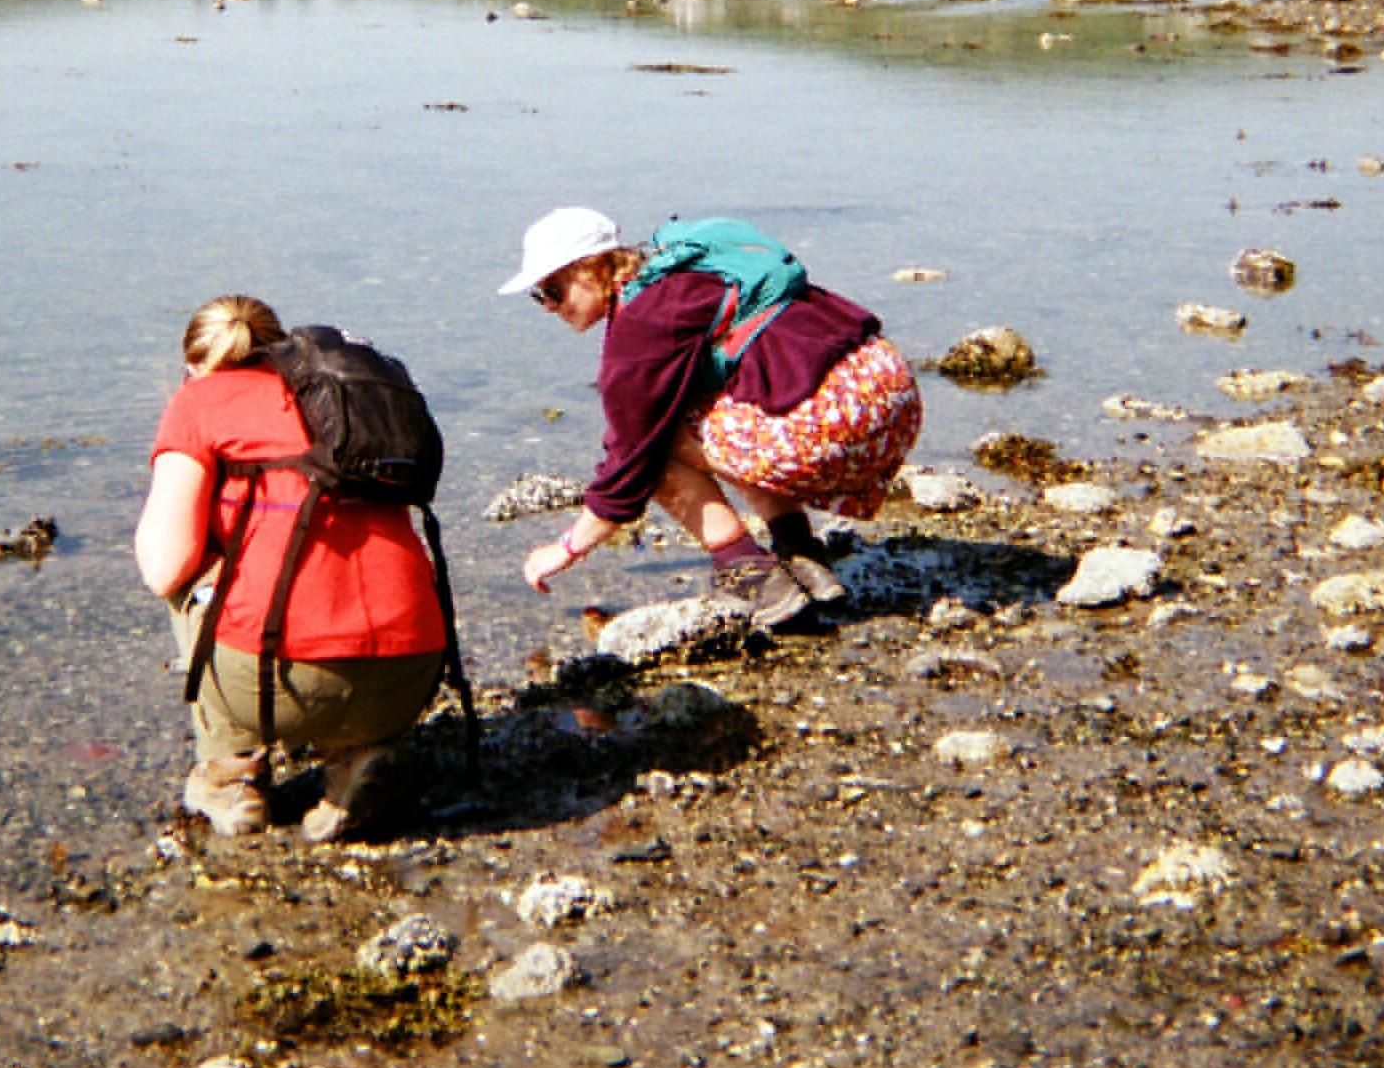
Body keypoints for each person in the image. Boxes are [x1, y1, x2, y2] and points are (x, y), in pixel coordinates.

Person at [502, 209, 921, 627]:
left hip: (839, 428)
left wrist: (566, 549)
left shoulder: (641, 326)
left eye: (553, 290)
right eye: (540, 296)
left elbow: (628, 469)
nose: (550, 307)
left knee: (656, 446)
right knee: (711, 402)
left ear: (591, 269)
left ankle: (750, 574)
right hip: (891, 396)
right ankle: (801, 555)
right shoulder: (681, 268)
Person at [136, 295, 447, 840]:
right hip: (413, 666)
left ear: (192, 366)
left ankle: (230, 777)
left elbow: (163, 567)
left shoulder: (199, 401)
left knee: (188, 581)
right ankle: (359, 752)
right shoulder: (349, 397)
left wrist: (212, 556)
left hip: (279, 680)